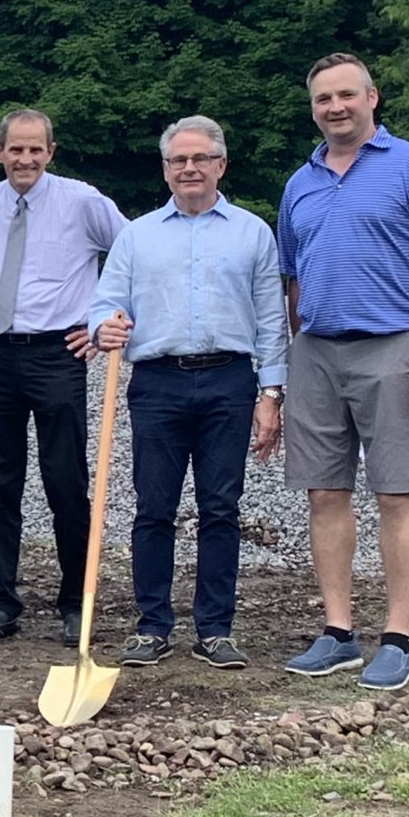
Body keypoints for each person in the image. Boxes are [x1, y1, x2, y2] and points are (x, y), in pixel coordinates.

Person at [275, 53, 409, 692]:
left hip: (394, 348)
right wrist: (295, 354)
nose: (335, 107)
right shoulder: (300, 182)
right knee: (325, 493)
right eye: (323, 98)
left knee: (396, 492)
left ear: (372, 98)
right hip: (319, 352)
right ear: (313, 108)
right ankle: (337, 633)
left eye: (346, 96)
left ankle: (397, 637)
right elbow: (294, 277)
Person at [88, 117, 289, 671]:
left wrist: (271, 393)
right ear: (166, 169)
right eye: (179, 160)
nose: (190, 168)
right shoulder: (137, 235)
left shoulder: (252, 233)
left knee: (221, 508)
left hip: (230, 381)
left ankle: (215, 630)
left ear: (221, 165)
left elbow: (272, 321)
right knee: (154, 508)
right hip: (158, 382)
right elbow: (104, 301)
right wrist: (103, 324)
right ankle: (152, 626)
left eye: (201, 159)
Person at [0, 108, 128, 645]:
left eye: (35, 149)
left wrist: (100, 322)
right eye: (15, 150)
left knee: (65, 480)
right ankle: (2, 602)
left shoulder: (82, 202)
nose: (25, 159)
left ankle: (74, 601)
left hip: (57, 354)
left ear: (51, 151)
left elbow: (133, 255)